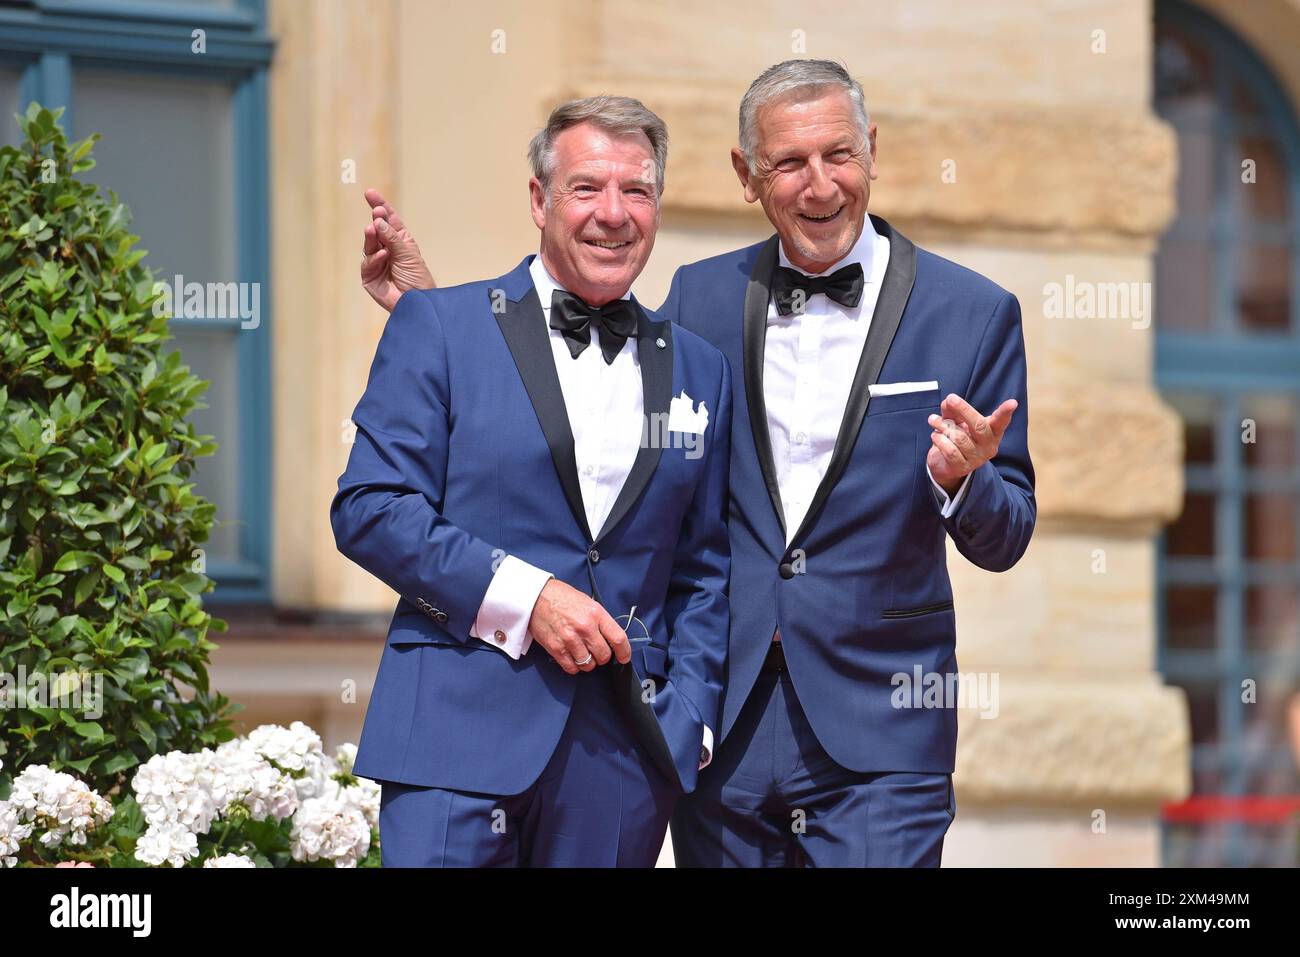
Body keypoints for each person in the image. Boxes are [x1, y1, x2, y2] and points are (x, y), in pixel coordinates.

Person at [359, 59, 1035, 867]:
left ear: (872, 150)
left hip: (880, 727)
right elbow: (572, 414)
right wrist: (439, 320)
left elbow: (1008, 535)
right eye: (788, 163)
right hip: (727, 737)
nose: (819, 185)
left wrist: (964, 479)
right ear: (747, 176)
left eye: (839, 155)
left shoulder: (975, 313)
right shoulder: (699, 301)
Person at [332, 95, 731, 866]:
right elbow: (371, 508)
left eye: (636, 190)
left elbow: (704, 566)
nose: (613, 213)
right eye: (587, 187)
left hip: (622, 762)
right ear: (539, 199)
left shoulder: (700, 367)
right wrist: (531, 597)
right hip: (452, 740)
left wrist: (691, 723)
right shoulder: (440, 326)